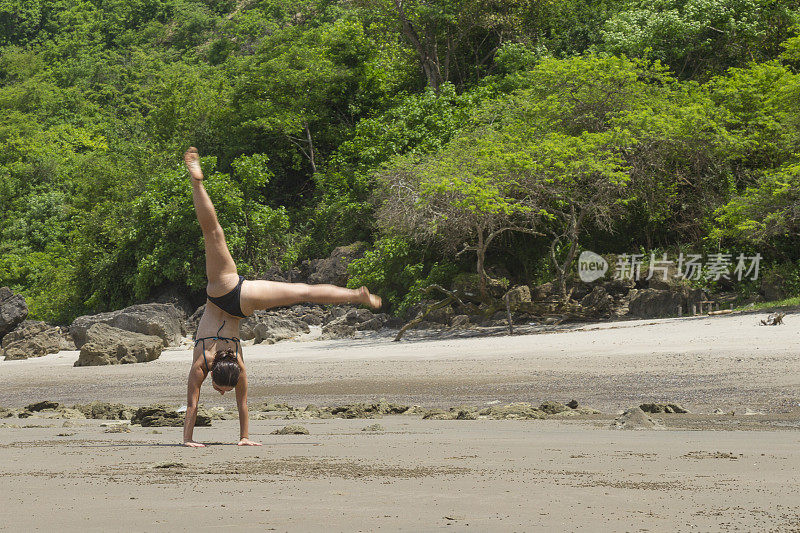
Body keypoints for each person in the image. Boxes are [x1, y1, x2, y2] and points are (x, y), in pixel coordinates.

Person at [182, 147, 381, 447]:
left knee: (219, 236)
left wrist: (189, 441)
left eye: (221, 389)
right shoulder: (211, 364)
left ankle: (198, 182)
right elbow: (223, 406)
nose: (222, 393)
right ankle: (354, 294)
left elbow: (213, 406)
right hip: (228, 292)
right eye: (224, 390)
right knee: (214, 234)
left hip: (237, 300)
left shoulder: (230, 365)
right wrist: (244, 438)